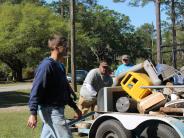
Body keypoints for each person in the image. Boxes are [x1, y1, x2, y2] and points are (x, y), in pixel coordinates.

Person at [27, 34, 82, 138]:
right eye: (65, 46)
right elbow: (36, 90)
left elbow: (64, 91)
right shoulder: (47, 65)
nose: (67, 49)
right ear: (57, 48)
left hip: (57, 109)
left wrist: (75, 108)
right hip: (50, 111)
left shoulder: (60, 66)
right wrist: (33, 113)